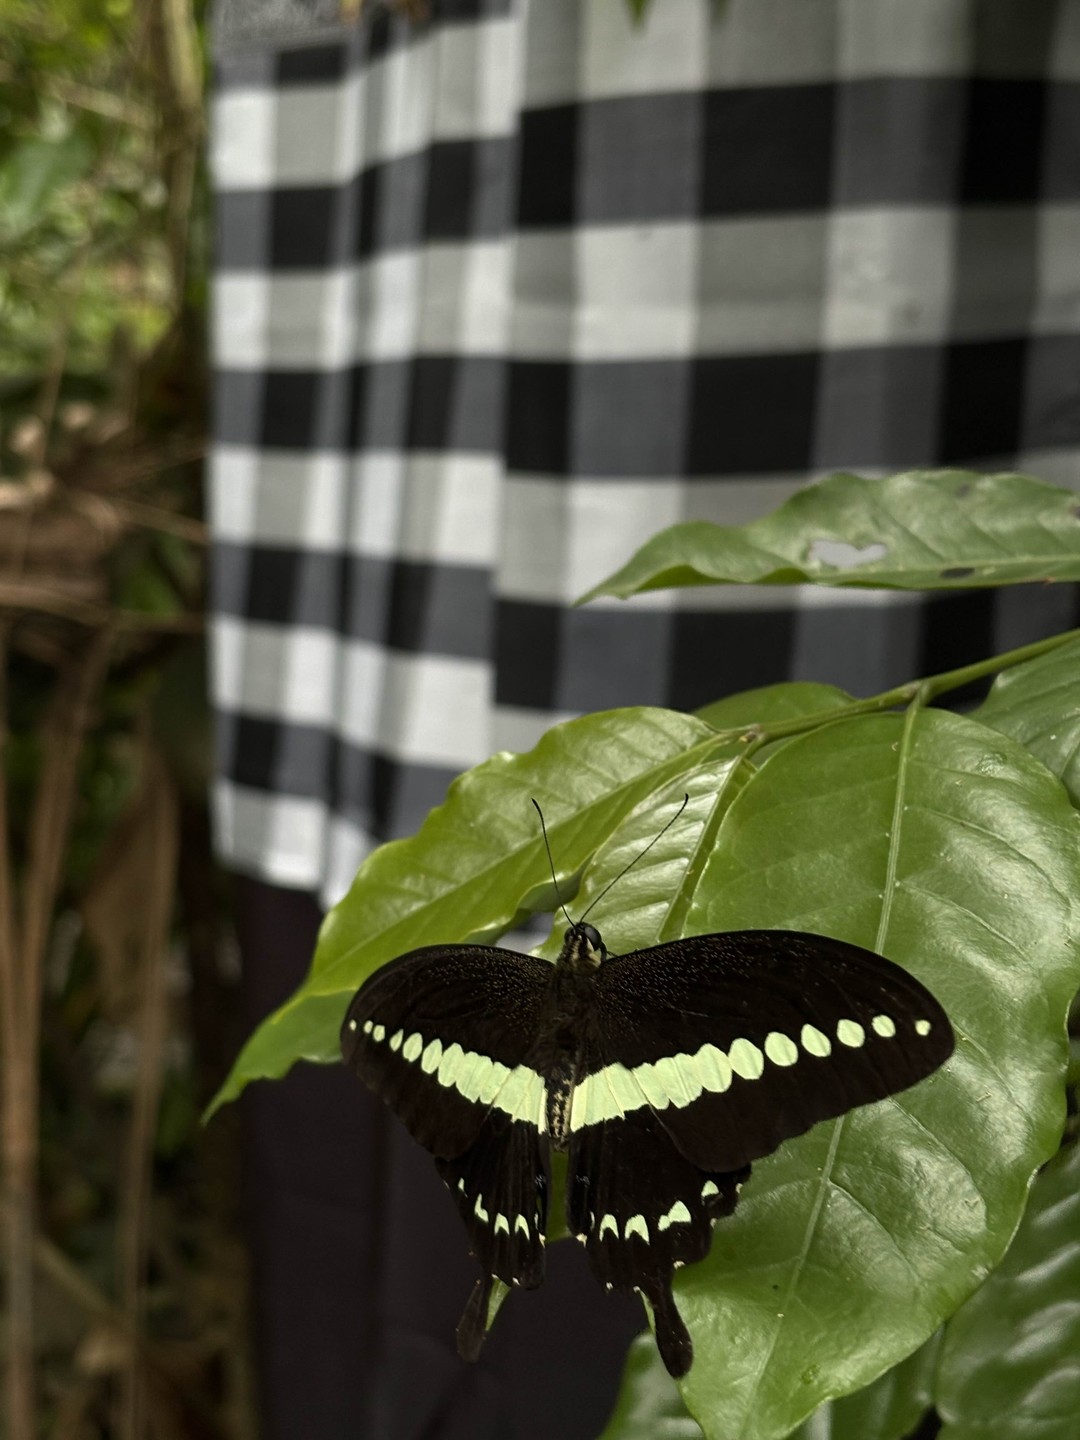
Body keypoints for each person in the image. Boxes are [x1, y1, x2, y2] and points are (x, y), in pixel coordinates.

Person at [208, 2, 1080, 1435]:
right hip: (647, 1105)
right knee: (637, 1200)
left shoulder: (459, 1001)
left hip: (585, 1094)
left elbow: (405, 1031)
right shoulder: (674, 988)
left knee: (557, 1210)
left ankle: (539, 1309)